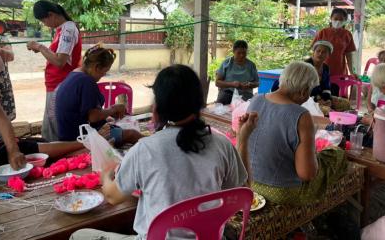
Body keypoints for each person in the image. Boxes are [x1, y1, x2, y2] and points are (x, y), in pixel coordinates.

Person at [70, 64, 256, 240]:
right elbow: (244, 189)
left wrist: (105, 174)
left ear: (157, 107)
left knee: (78, 236)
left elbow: (113, 196)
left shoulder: (146, 149)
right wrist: (243, 138)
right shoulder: (222, 144)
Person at [247, 61, 347, 205]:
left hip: (250, 181)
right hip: (282, 191)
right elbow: (307, 174)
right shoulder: (301, 115)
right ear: (303, 91)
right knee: (336, 155)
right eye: (310, 92)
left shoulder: (256, 100)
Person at [0, 56, 84, 173]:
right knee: (28, 149)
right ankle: (84, 144)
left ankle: (84, 146)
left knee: (39, 143)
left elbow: (2, 120)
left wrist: (13, 149)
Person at [55, 44, 142, 144]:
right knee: (132, 134)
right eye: (104, 71)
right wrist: (114, 108)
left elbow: (86, 113)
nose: (103, 75)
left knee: (113, 124)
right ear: (97, 67)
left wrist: (106, 114)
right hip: (80, 137)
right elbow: (93, 117)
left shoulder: (74, 74)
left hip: (67, 134)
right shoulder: (87, 81)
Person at [26, 0, 82, 141]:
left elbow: (59, 61)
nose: (45, 24)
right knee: (51, 127)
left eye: (43, 20)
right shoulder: (61, 30)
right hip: (56, 85)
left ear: (51, 15)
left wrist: (40, 47)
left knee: (55, 130)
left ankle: (60, 159)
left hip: (60, 85)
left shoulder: (68, 29)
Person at [312, 8, 357, 78]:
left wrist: (352, 72)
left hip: (340, 70)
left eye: (341, 19)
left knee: (338, 88)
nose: (338, 21)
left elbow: (349, 55)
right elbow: (314, 52)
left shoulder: (347, 34)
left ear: (345, 21)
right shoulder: (323, 32)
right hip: (322, 70)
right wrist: (314, 68)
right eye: (335, 19)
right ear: (331, 19)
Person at [215, 40, 259, 104]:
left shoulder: (251, 65)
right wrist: (232, 84)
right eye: (239, 53)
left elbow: (257, 83)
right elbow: (217, 82)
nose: (241, 55)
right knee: (220, 108)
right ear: (233, 52)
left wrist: (250, 84)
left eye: (244, 53)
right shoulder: (226, 63)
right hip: (228, 93)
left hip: (245, 94)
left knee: (248, 108)